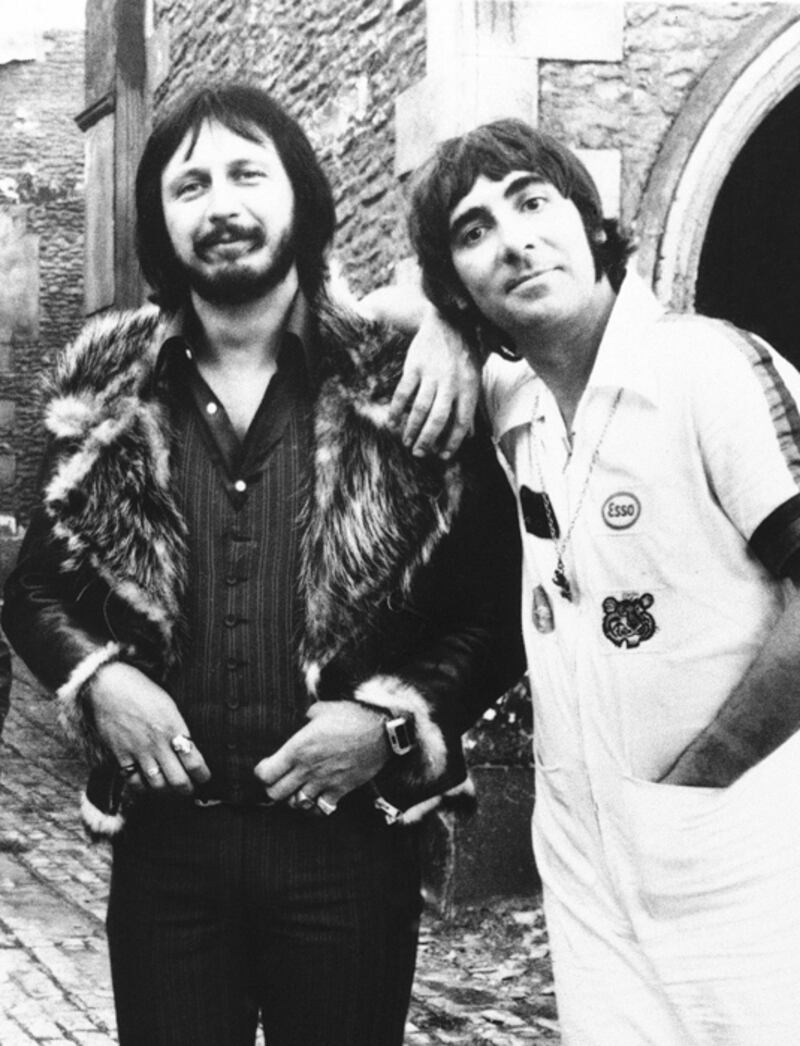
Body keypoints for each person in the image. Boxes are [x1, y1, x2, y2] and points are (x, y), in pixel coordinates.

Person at [1, 85, 524, 1046]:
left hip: (349, 856)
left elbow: (494, 610)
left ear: (299, 198)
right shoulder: (103, 391)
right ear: (161, 222)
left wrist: (390, 722)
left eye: (248, 173)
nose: (222, 204)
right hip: (168, 859)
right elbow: (35, 588)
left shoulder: (400, 383)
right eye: (189, 185)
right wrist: (98, 680)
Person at [397, 117, 800, 1044]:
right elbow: (353, 303)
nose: (515, 241)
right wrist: (439, 326)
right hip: (587, 877)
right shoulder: (517, 404)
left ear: (590, 222)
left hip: (743, 855)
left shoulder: (706, 368)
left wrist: (704, 778)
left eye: (533, 203)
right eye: (474, 231)